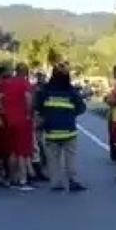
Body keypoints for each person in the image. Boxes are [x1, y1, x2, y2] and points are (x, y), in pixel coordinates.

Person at [34, 63, 88, 192]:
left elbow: (38, 107)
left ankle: (56, 183)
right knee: (71, 156)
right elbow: (82, 108)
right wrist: (70, 114)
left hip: (51, 130)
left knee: (53, 158)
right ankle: (73, 181)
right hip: (69, 130)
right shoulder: (71, 90)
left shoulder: (45, 90)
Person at [0, 62, 36, 190]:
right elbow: (28, 99)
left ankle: (12, 178)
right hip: (22, 120)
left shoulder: (5, 83)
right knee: (22, 152)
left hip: (8, 120)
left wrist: (1, 111)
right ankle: (23, 180)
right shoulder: (25, 83)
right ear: (25, 72)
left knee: (12, 151)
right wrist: (28, 113)